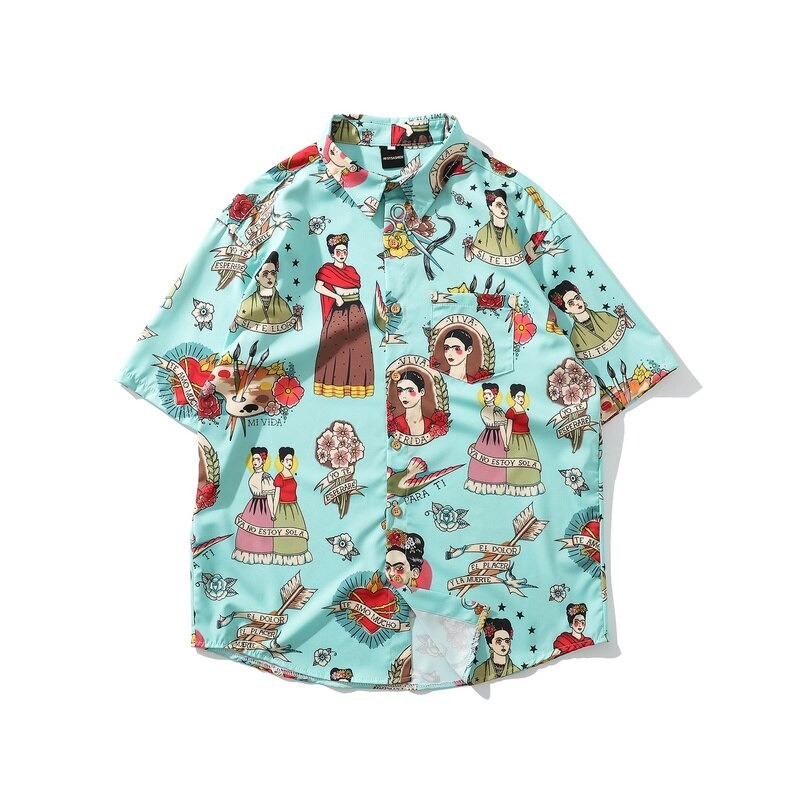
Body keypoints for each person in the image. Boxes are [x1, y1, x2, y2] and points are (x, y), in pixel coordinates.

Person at [314, 233, 374, 398]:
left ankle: (356, 387)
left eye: (344, 251)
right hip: (340, 311)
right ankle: (334, 385)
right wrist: (336, 297)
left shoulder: (351, 270)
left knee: (358, 349)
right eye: (338, 251)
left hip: (357, 309)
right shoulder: (327, 269)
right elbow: (318, 287)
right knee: (337, 348)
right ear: (332, 253)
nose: (342, 254)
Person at [548, 280, 628, 359]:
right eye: (571, 303)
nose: (577, 303)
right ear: (566, 310)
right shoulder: (574, 337)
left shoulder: (605, 316)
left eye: (577, 298)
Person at [231, 447, 277, 565]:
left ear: (263, 461)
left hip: (263, 508)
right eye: (253, 459)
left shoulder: (266, 477)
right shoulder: (253, 476)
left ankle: (263, 554)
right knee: (247, 533)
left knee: (262, 532)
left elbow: (270, 497)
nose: (254, 462)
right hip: (252, 506)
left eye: (257, 459)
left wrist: (272, 513)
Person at [231, 251, 296, 333]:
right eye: (265, 273)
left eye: (273, 273)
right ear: (257, 278)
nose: (270, 277)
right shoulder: (246, 304)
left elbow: (295, 328)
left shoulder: (283, 305)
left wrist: (297, 316)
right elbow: (233, 328)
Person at [465, 383, 510, 495]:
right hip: (485, 436)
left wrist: (505, 443)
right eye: (484, 394)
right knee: (480, 461)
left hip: (497, 437)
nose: (486, 396)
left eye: (489, 394)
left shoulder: (497, 410)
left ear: (494, 395)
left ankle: (497, 484)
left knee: (496, 460)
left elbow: (502, 428)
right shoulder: (484, 409)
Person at [272, 446, 312, 564]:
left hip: (294, 508)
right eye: (287, 460)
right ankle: (283, 556)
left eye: (291, 460)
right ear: (282, 461)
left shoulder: (291, 474)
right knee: (284, 533)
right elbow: (276, 496)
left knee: (297, 532)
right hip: (282, 509)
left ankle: (296, 555)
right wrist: (273, 512)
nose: (290, 462)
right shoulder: (279, 477)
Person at [504, 383, 545, 496]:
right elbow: (509, 427)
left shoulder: (523, 409)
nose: (521, 399)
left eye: (522, 396)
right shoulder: (511, 411)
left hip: (527, 440)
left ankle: (529, 485)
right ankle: (516, 487)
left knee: (530, 462)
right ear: (513, 397)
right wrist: (506, 442)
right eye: (518, 397)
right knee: (517, 464)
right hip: (515, 441)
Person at [470, 617, 520, 683]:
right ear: (490, 643)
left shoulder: (516, 670)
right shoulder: (480, 670)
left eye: (507, 641)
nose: (503, 644)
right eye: (499, 640)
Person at [393, 370, 433, 436]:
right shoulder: (395, 423)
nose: (404, 395)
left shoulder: (432, 425)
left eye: (410, 390)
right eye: (400, 390)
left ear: (422, 392)